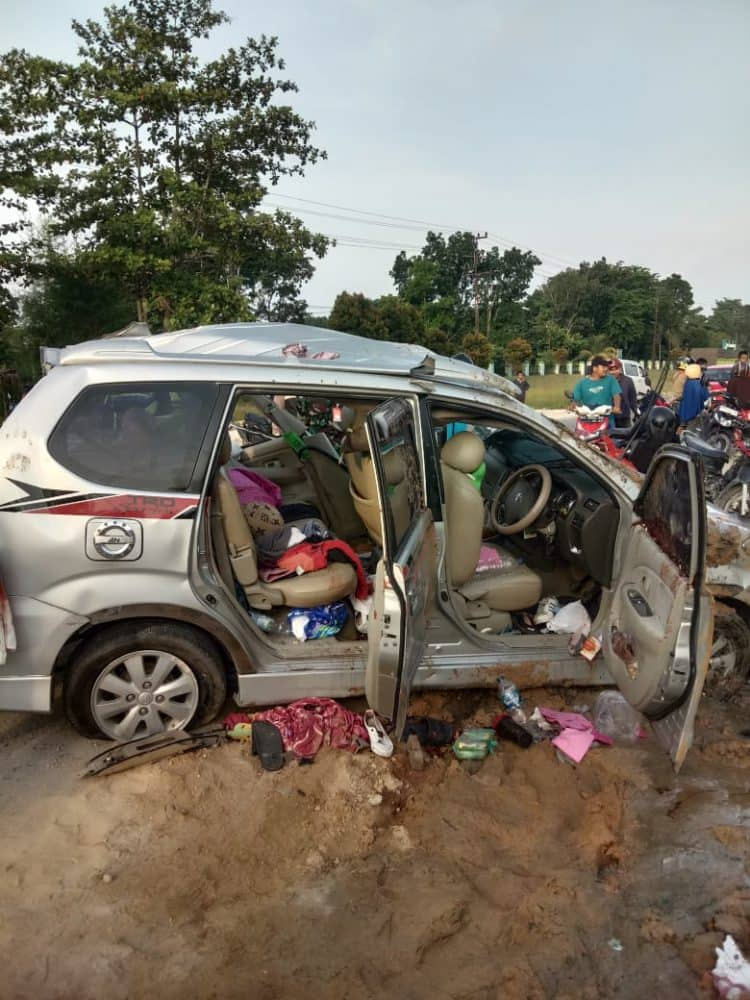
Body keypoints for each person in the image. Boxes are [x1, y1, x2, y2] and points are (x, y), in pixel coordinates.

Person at [570, 355, 622, 424]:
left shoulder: (611, 380)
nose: (606, 369)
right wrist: (573, 405)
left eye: (606, 367)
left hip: (606, 422)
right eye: (603, 367)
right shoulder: (582, 383)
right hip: (586, 422)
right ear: (594, 368)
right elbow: (576, 399)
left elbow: (616, 395)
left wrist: (617, 407)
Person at [608, 359, 637, 428]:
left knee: (626, 437)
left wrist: (636, 413)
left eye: (616, 369)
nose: (613, 372)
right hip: (609, 418)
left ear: (620, 369)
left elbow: (633, 399)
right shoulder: (605, 382)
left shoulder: (628, 381)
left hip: (624, 417)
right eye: (611, 369)